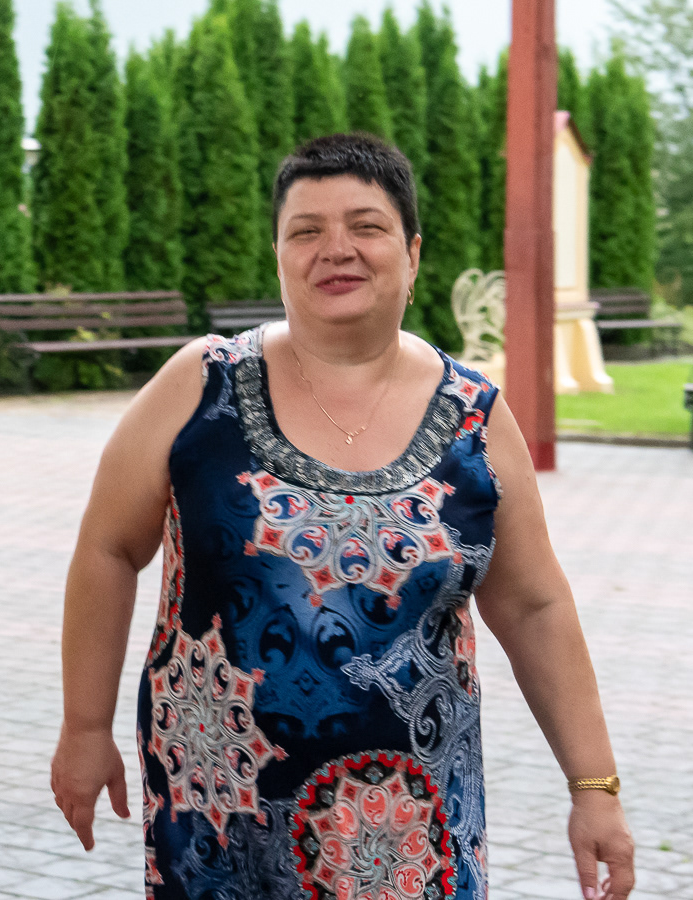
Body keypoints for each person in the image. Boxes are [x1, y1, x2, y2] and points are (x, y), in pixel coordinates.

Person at [50, 134, 635, 900]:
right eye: (307, 230)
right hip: (220, 822)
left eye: (366, 226)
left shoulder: (474, 419)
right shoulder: (200, 386)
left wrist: (594, 786)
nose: (337, 249)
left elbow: (533, 606)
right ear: (278, 255)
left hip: (414, 834)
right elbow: (107, 548)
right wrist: (84, 726)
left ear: (413, 253)